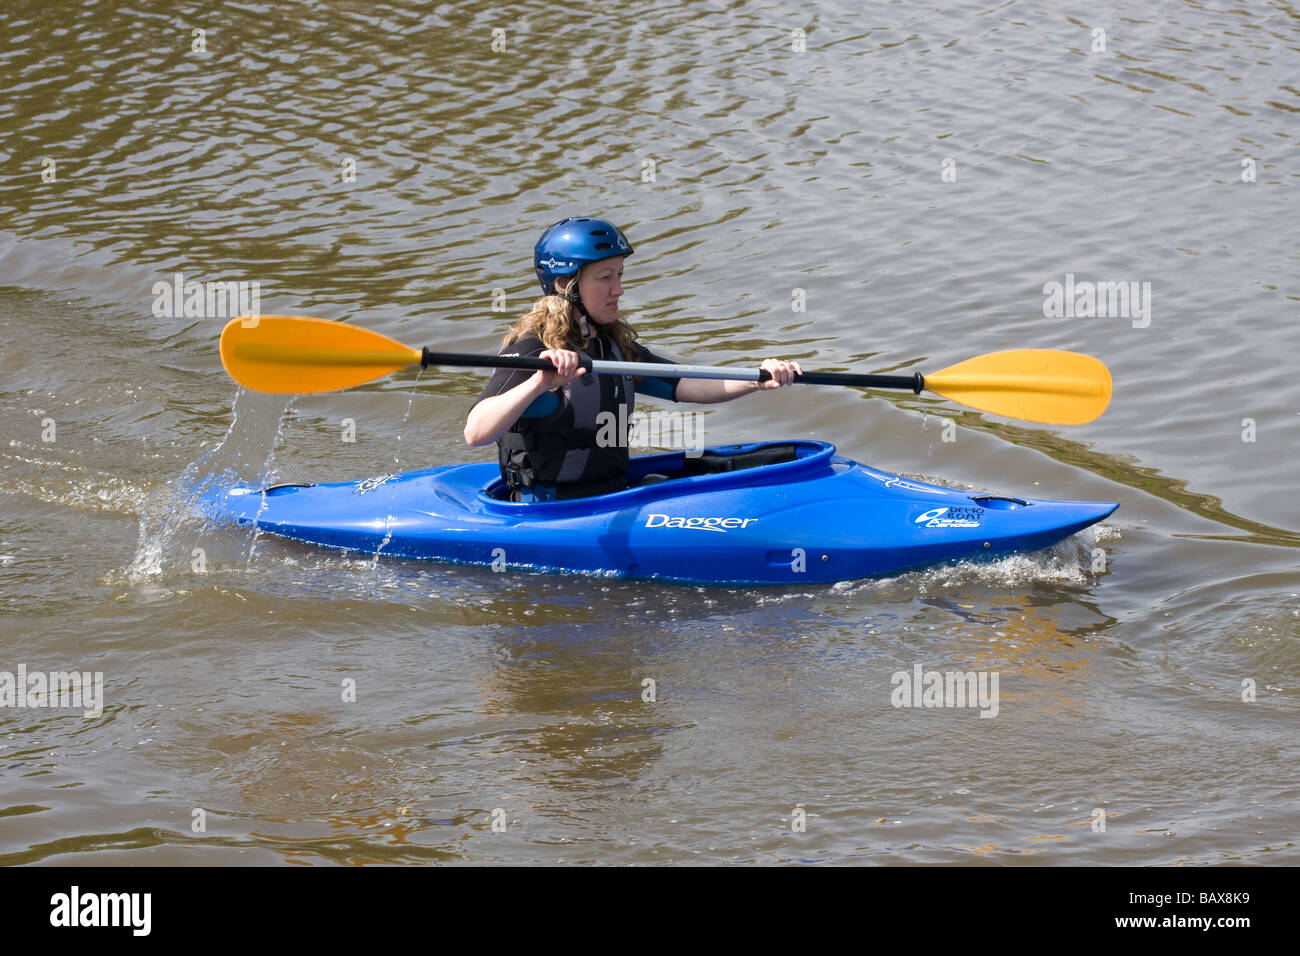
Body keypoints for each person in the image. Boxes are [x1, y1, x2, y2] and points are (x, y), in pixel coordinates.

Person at [464, 216, 803, 502]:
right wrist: (541, 383)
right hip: (549, 508)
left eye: (620, 275)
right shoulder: (531, 351)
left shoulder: (613, 344)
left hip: (612, 493)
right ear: (566, 284)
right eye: (605, 278)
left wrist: (758, 377)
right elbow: (476, 431)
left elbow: (688, 384)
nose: (618, 290)